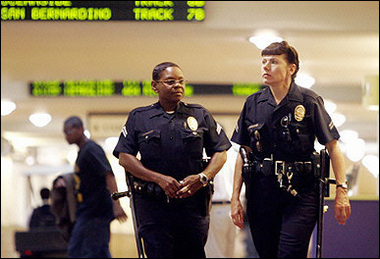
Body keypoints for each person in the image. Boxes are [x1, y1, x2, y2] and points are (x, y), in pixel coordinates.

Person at [230, 41, 351, 258]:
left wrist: (342, 190)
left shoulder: (309, 101)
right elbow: (243, 153)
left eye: (274, 62)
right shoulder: (253, 103)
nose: (265, 67)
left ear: (291, 68)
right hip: (261, 191)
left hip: (301, 192)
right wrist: (235, 197)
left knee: (290, 253)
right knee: (266, 253)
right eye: (263, 62)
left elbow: (332, 147)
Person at [113, 61, 232, 258]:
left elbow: (220, 152)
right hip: (153, 206)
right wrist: (158, 178)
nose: (178, 86)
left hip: (192, 205)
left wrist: (202, 177)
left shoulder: (200, 114)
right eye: (170, 81)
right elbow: (125, 157)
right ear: (155, 86)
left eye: (181, 81)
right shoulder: (139, 117)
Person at [62, 116, 127, 258]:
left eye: (68, 131)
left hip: (95, 212)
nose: (66, 136)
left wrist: (117, 205)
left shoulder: (91, 149)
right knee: (98, 251)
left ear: (80, 129)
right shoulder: (83, 151)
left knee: (79, 251)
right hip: (90, 211)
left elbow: (108, 175)